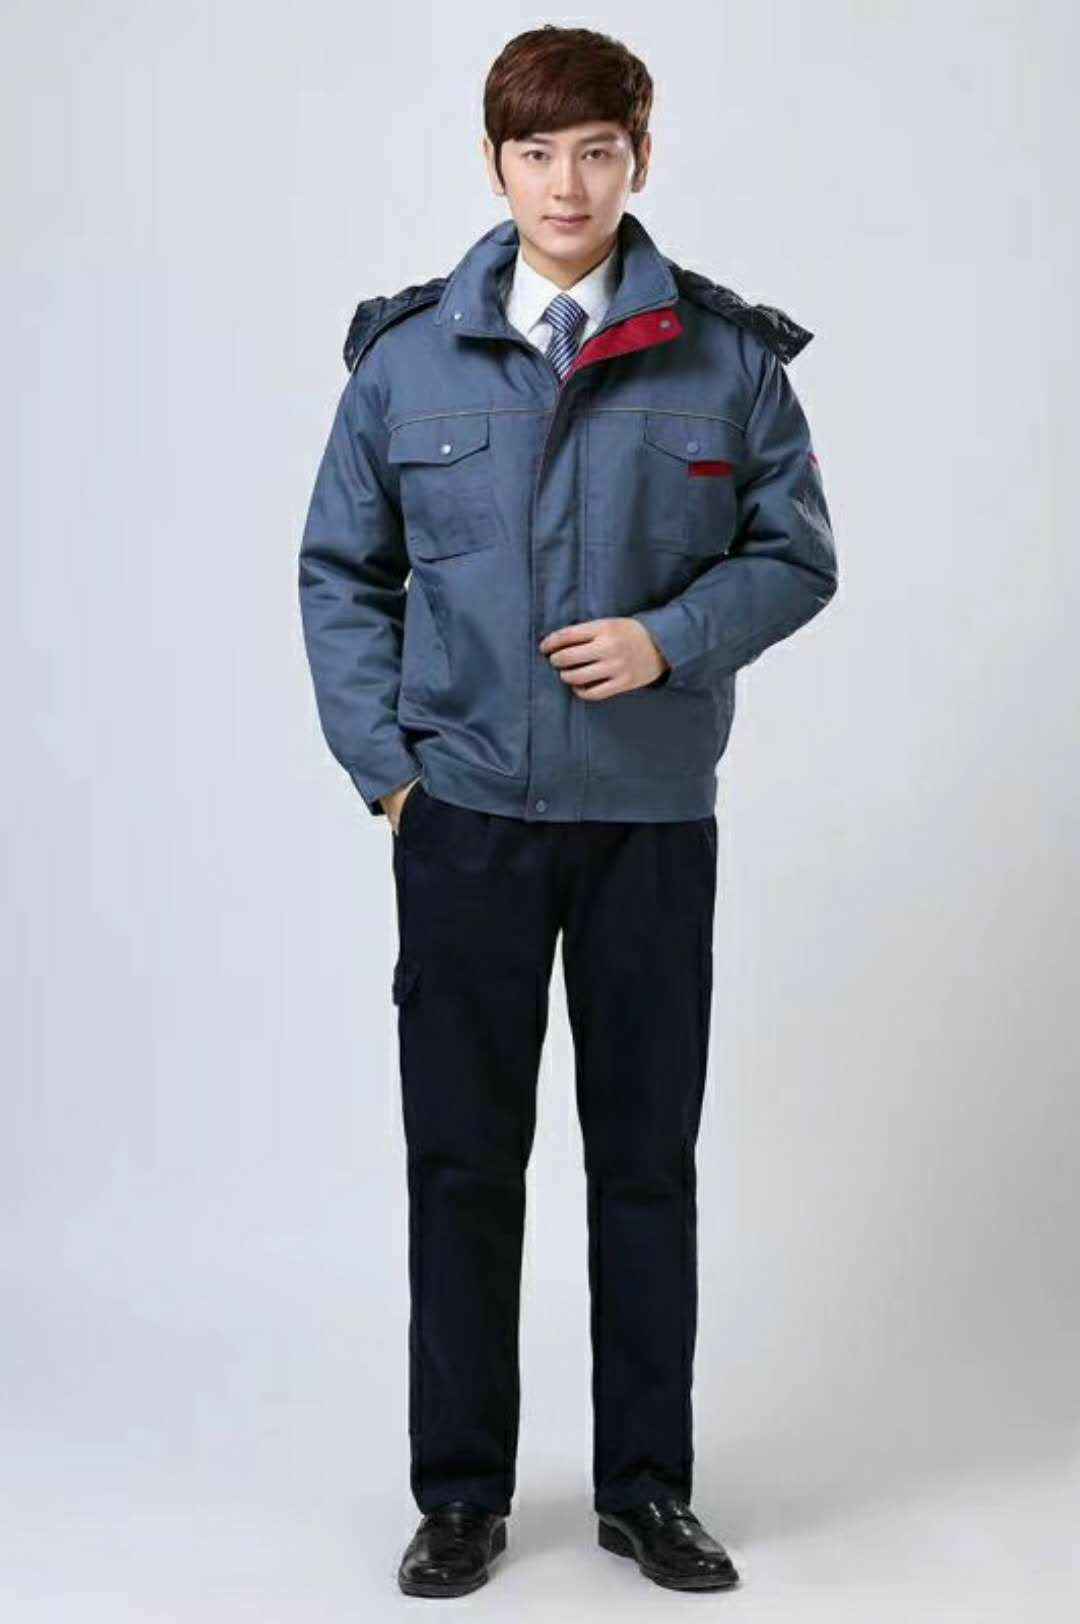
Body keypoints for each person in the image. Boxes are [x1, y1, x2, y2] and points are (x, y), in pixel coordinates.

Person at [298, 23, 838, 1599]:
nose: (567, 184)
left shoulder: (725, 359)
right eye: (536, 153)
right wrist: (390, 773)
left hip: (648, 826)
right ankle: (461, 1495)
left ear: (640, 156)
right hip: (463, 820)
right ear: (495, 163)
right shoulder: (408, 362)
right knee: (462, 1167)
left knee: (646, 1167)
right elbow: (340, 575)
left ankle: (648, 1491)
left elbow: (797, 554)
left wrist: (672, 638)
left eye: (598, 150)